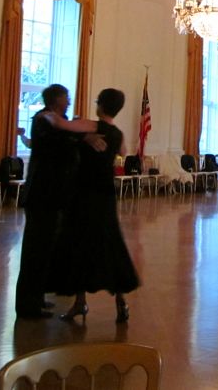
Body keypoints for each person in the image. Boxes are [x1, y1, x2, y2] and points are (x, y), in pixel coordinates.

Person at [42, 88, 140, 324]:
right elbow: (124, 152)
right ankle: (120, 302)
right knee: (109, 244)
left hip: (85, 194)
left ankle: (80, 302)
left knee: (78, 244)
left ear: (101, 106)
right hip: (105, 194)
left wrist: (44, 115)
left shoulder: (92, 126)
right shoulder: (116, 132)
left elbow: (59, 124)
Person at [15, 84, 102, 319]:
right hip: (42, 196)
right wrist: (81, 138)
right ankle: (27, 305)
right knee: (35, 251)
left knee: (46, 252)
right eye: (66, 97)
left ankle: (38, 297)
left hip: (57, 197)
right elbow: (56, 145)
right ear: (55, 99)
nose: (69, 100)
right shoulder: (43, 119)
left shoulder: (61, 120)